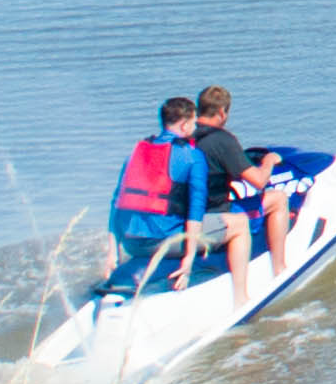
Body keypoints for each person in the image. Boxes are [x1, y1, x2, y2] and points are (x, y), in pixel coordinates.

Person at [100, 93, 211, 295]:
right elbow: (196, 210)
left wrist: (112, 254)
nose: (195, 128)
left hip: (131, 243)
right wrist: (188, 259)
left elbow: (116, 203)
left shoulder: (136, 152)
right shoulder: (192, 156)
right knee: (237, 224)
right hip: (164, 243)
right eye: (194, 123)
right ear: (185, 125)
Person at [189, 82, 297, 266]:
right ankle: (279, 267)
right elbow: (259, 182)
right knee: (278, 199)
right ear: (222, 112)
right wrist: (269, 161)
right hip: (215, 214)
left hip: (188, 212)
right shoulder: (222, 140)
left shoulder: (185, 136)